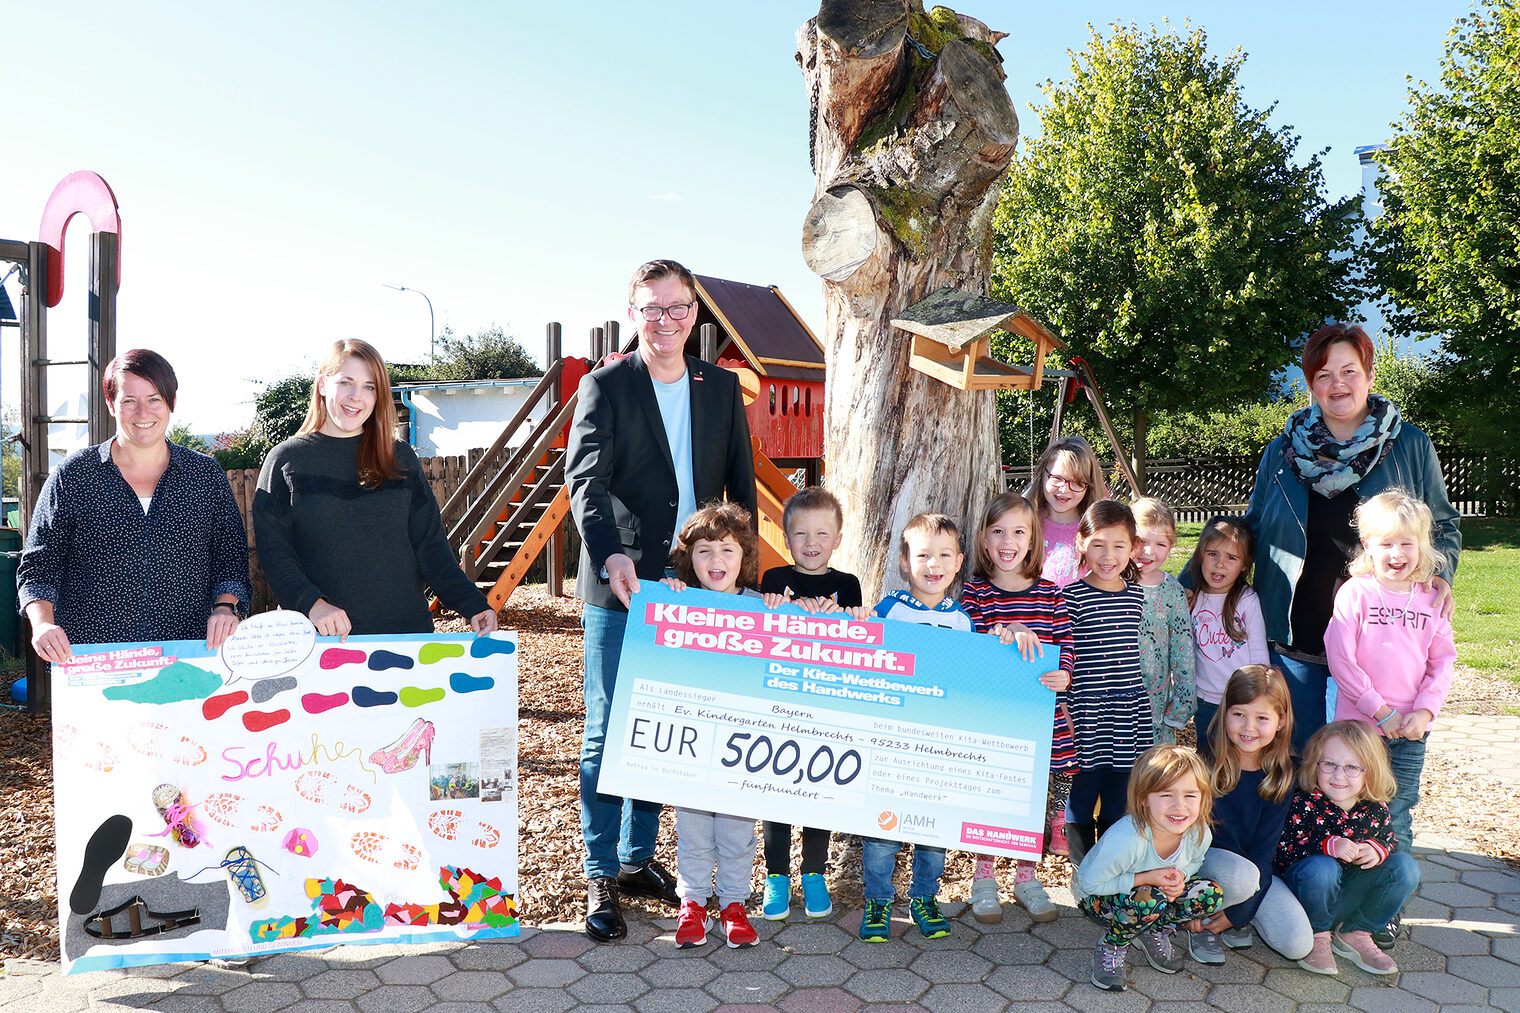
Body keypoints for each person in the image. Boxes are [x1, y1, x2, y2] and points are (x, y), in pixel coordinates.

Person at [564, 259, 757, 942]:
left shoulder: (720, 387)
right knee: (609, 727)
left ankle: (638, 857)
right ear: (633, 314)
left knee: (662, 725)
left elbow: (740, 488)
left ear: (694, 315)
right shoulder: (605, 385)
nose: (666, 320)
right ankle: (599, 871)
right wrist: (611, 550)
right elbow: (583, 481)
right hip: (621, 586)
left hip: (694, 588)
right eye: (652, 308)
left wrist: (745, 580)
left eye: (677, 308)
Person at [1244, 323, 1459, 753]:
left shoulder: (1409, 445)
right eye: (1323, 375)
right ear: (1311, 386)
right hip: (1296, 633)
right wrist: (1198, 584)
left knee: (1366, 773)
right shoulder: (1282, 451)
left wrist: (1442, 574)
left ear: (1370, 375)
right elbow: (1250, 531)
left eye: (1349, 371)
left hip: (1382, 641)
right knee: (1300, 761)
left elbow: (1444, 525)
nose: (1337, 384)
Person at [253, 339, 497, 639]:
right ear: (322, 385)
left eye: (370, 387)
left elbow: (430, 545)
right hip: (319, 642)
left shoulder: (399, 458)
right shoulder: (285, 460)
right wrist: (312, 605)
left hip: (406, 637)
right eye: (346, 382)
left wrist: (473, 604)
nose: (357, 397)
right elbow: (275, 553)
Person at [19, 348, 250, 659]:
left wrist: (225, 606)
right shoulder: (73, 476)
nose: (143, 412)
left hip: (190, 657)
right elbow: (39, 567)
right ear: (111, 405)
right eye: (129, 400)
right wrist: (43, 623)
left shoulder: (205, 476)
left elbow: (231, 557)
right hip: (92, 660)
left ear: (171, 403)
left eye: (154, 399)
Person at [660, 503, 785, 949]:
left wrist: (788, 609)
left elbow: (810, 642)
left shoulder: (763, 608)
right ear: (688, 559)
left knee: (736, 829)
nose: (716, 561)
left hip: (743, 745)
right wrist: (664, 596)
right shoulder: (675, 602)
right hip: (689, 743)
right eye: (704, 551)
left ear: (745, 556)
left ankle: (734, 904)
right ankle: (692, 903)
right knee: (692, 828)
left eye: (728, 550)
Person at [959, 491, 1074, 924]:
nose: (1008, 541)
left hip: (1043, 720)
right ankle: (983, 876)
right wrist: (1004, 629)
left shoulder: (1052, 595)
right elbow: (970, 641)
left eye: (1019, 532)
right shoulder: (974, 594)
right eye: (998, 531)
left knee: (1035, 800)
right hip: (996, 722)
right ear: (985, 541)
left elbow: (1067, 650)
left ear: (1033, 540)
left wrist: (1064, 674)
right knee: (993, 796)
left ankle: (1027, 876)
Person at [1326, 491, 1456, 863]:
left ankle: (1387, 906)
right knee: (1349, 812)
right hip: (1359, 728)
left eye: (1406, 543)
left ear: (1422, 545)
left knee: (1395, 815)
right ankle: (1344, 897)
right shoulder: (1356, 594)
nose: (1396, 554)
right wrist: (1380, 711)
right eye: (1386, 544)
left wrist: (1426, 712)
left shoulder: (1431, 598)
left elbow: (1442, 661)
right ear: (1367, 544)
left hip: (1410, 733)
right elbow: (1341, 660)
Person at [860, 513, 972, 943]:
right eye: (923, 555)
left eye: (944, 555)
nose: (934, 564)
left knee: (933, 829)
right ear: (905, 562)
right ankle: (879, 899)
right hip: (891, 743)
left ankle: (925, 896)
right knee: (882, 830)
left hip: (938, 746)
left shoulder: (963, 622)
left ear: (958, 562)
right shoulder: (887, 612)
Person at [757, 486, 860, 922]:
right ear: (785, 538)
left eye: (822, 533)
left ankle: (814, 873)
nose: (812, 543)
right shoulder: (772, 580)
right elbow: (760, 631)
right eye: (801, 534)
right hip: (779, 703)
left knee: (819, 792)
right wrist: (785, 608)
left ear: (838, 539)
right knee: (777, 794)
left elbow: (858, 641)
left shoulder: (846, 585)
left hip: (826, 706)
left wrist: (843, 617)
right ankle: (776, 875)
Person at [1075, 744, 1224, 992]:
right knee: (1149, 898)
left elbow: (1196, 861)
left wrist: (1181, 877)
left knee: (1209, 894)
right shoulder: (1128, 839)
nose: (1180, 806)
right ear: (1144, 799)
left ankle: (1151, 930)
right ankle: (1112, 945)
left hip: (1150, 894)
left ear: (1203, 797)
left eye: (1190, 795)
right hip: (1097, 897)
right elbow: (1091, 884)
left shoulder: (1199, 832)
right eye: (1166, 795)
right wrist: (1147, 878)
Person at [1189, 666, 1313, 966]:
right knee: (1239, 876)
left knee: (1298, 944)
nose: (1248, 727)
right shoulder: (1205, 764)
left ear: (1280, 722)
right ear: (1225, 712)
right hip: (1207, 867)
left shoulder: (1283, 774)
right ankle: (1200, 918)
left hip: (1257, 873)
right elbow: (1186, 843)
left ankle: (1243, 915)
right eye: (1239, 714)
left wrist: (1237, 914)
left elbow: (1264, 852)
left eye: (1262, 718)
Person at [1274, 721, 1419, 975]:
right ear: (1315, 764)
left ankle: (1356, 932)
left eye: (1352, 767)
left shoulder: (1374, 807)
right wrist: (1328, 845)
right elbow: (1283, 849)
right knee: (1323, 867)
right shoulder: (1305, 801)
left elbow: (1388, 841)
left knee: (1405, 868)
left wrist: (1376, 850)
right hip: (1307, 898)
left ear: (1369, 772)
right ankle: (1318, 938)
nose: (1338, 776)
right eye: (1329, 764)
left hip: (1348, 897)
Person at [1063, 500, 1154, 862]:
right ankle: (1082, 866)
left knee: (1120, 789)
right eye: (1098, 544)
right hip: (1087, 708)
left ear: (1132, 548)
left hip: (1127, 709)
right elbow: (1063, 658)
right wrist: (1064, 708)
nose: (1108, 555)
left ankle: (1112, 862)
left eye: (1119, 546)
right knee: (1084, 789)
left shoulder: (1136, 595)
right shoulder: (1070, 596)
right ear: (1081, 543)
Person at [1184, 517, 1269, 749]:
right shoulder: (1192, 598)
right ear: (1201, 555)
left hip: (1241, 702)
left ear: (1244, 565)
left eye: (1231, 558)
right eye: (1212, 554)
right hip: (1205, 702)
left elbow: (1259, 652)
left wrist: (1259, 697)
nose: (1220, 564)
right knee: (1207, 756)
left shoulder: (1246, 600)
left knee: (1239, 757)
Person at [1132, 498, 1196, 746]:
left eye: (1160, 543)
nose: (1149, 551)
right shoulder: (1113, 583)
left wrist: (1183, 701)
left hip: (1154, 703)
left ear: (1170, 546)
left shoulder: (1172, 591)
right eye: (1141, 541)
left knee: (1153, 774)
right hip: (1111, 702)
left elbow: (1183, 650)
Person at [1025, 435, 1109, 589]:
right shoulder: (1024, 522)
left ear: (1089, 485)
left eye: (1076, 482)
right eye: (1057, 478)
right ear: (1042, 474)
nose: (1064, 489)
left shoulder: (1096, 530)